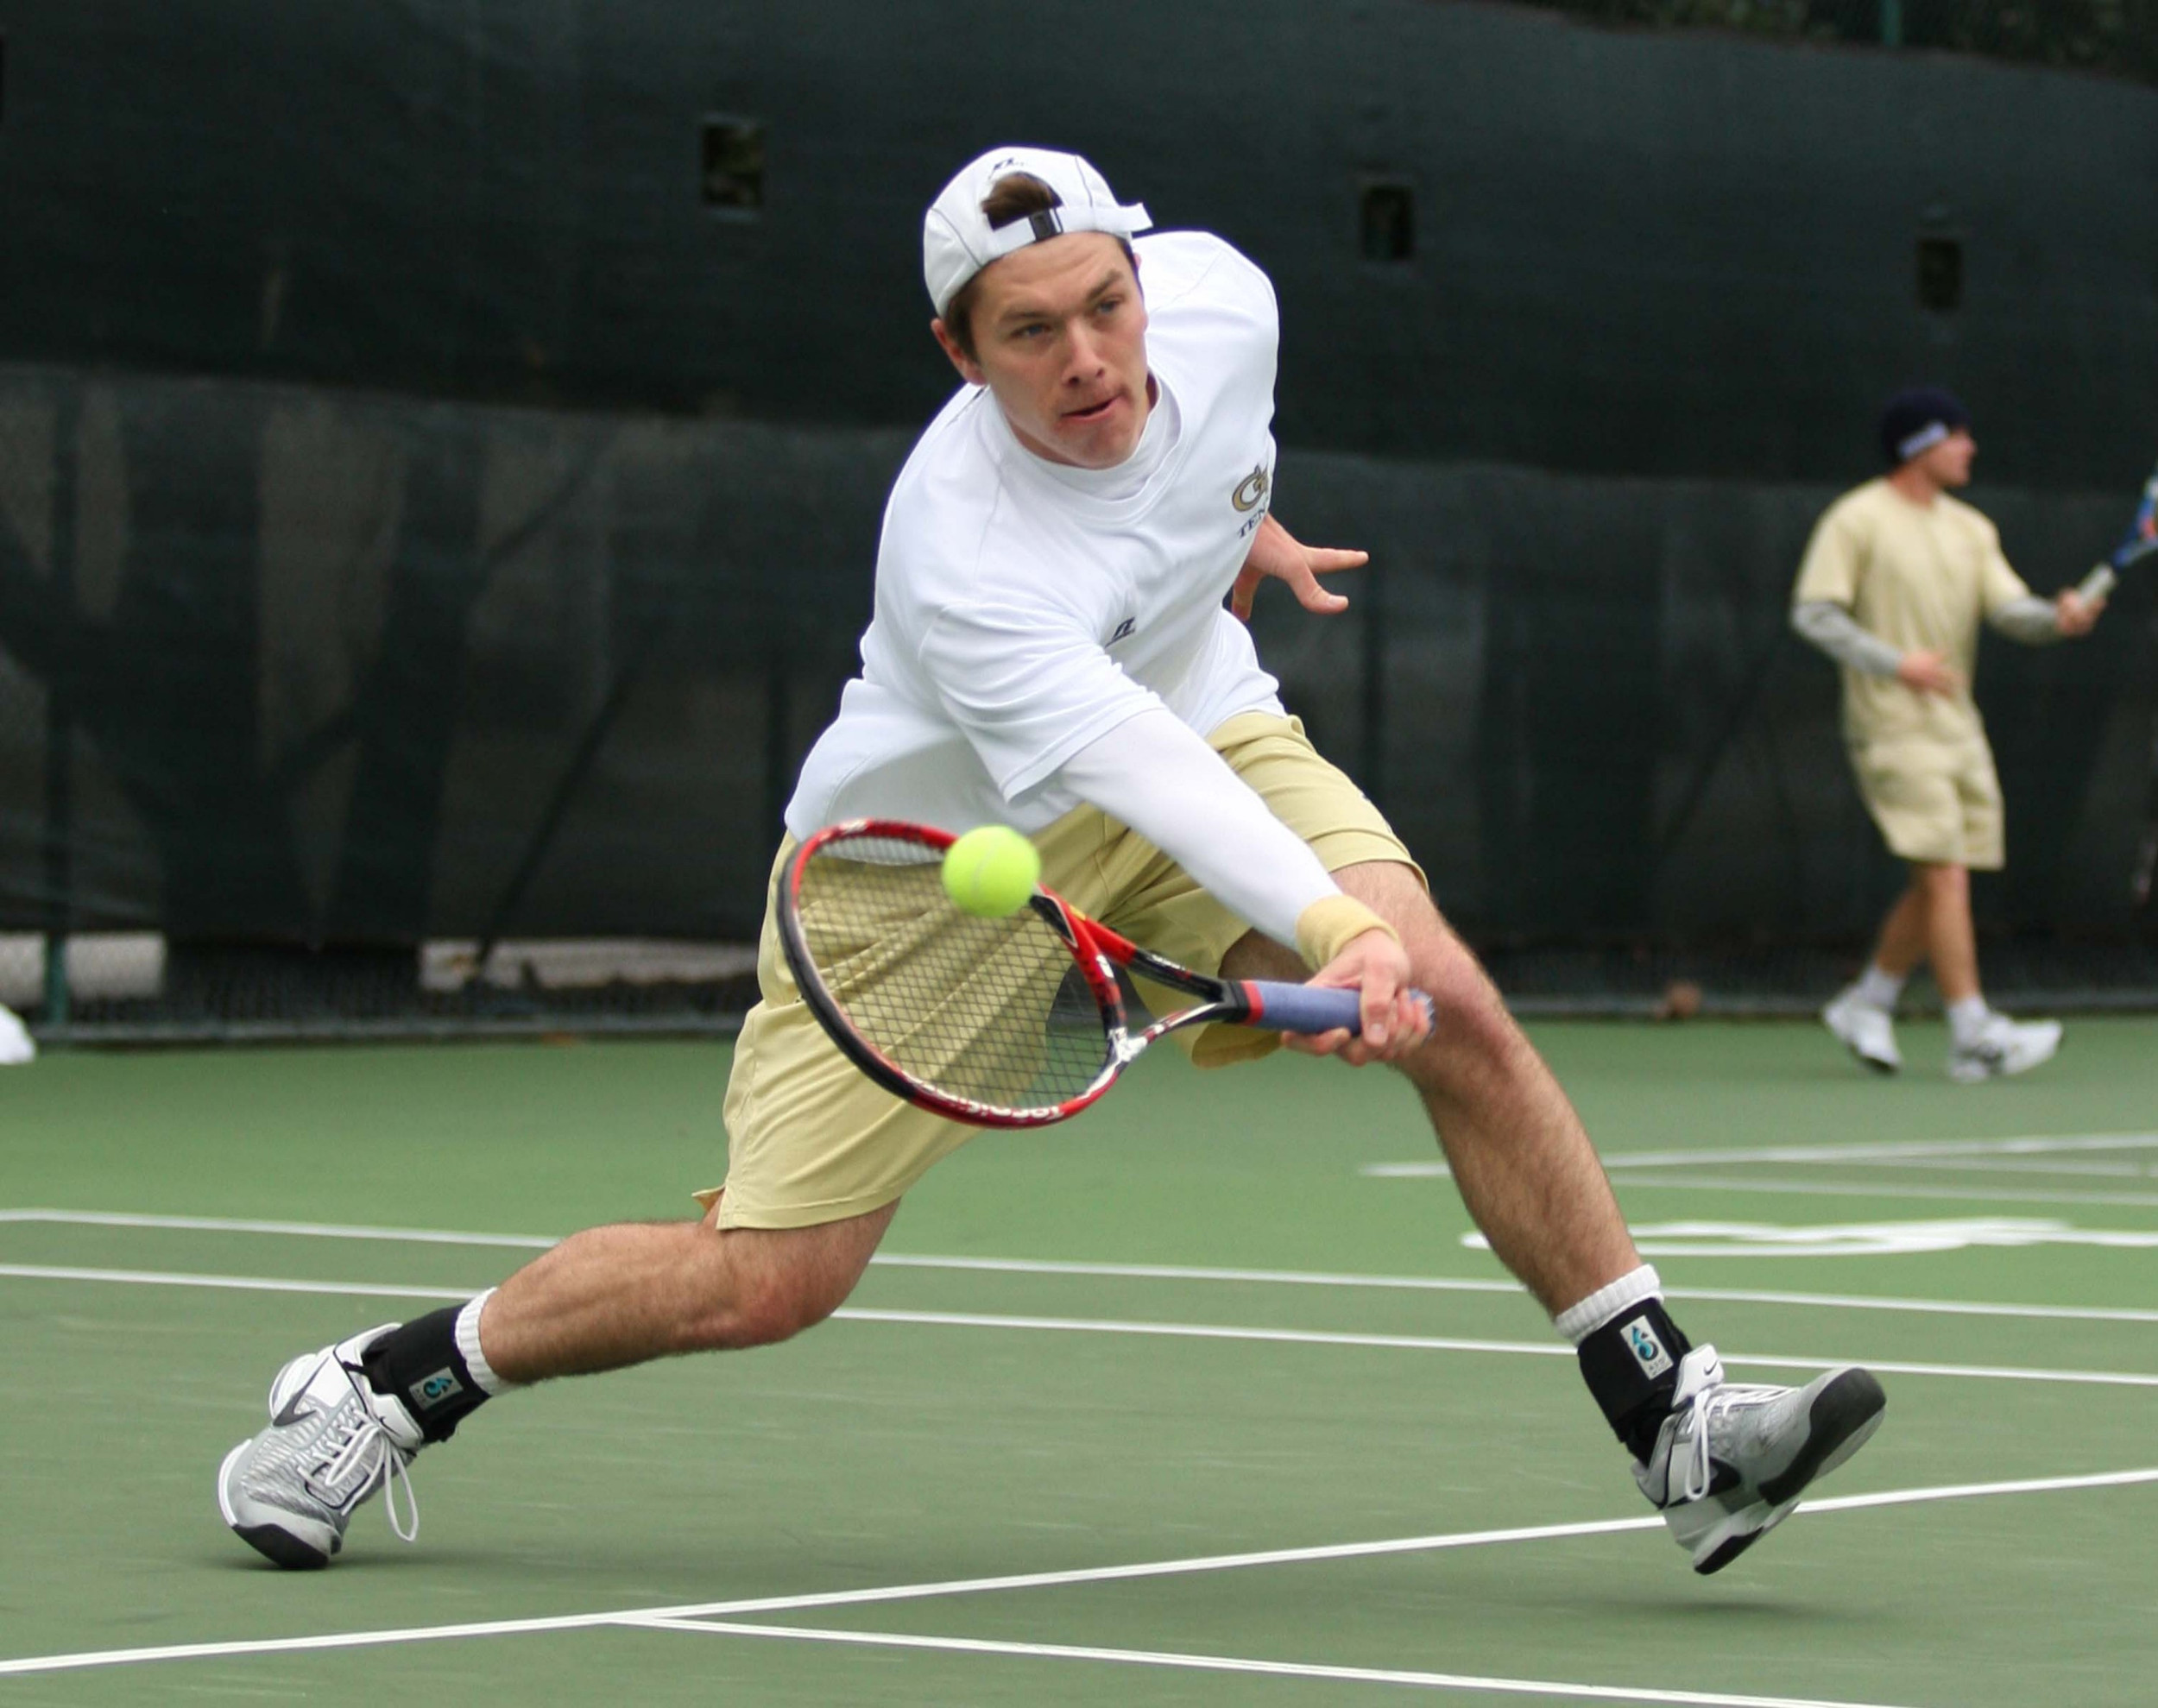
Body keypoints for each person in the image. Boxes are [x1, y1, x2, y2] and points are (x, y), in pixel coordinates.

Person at [218, 147, 1884, 1579]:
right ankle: (389, 1383)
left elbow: (1200, 492)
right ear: (959, 352)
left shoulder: (1226, 301)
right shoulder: (965, 553)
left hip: (1200, 717)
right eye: (1031, 332)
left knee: (1446, 992)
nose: (1089, 357)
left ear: (1144, 276)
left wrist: (1248, 530)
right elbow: (1131, 769)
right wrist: (1319, 924)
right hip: (925, 868)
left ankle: (1679, 1424)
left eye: (1106, 303)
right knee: (770, 1278)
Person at [1795, 387, 2105, 1081]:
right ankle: (1972, 1030)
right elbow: (1814, 613)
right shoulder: (1857, 519)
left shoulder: (1970, 528)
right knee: (1945, 874)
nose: (1970, 448)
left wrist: (2058, 617)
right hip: (1892, 725)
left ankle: (1868, 1000)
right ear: (1919, 446)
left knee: (1940, 878)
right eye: (1956, 437)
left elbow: (2011, 610)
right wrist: (1893, 662)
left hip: (1958, 727)